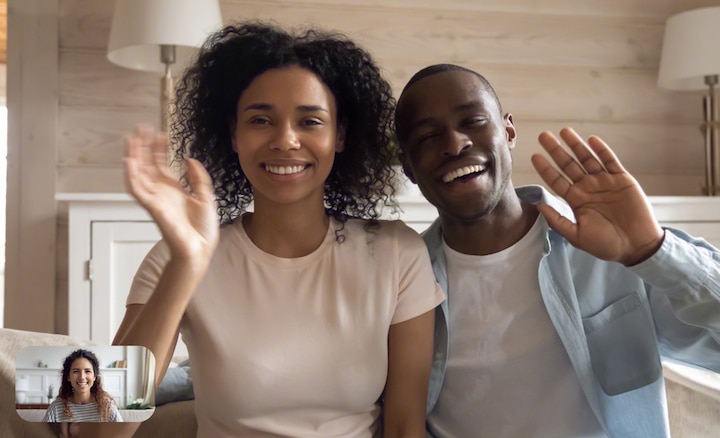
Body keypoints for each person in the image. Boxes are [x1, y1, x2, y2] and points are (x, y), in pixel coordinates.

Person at [111, 22, 444, 438]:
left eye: (310, 122)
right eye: (261, 120)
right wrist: (186, 263)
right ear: (233, 134)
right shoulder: (176, 258)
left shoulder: (396, 253)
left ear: (340, 135)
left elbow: (404, 428)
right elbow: (101, 429)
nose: (286, 140)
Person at [394, 63, 720, 437]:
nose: (454, 144)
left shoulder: (612, 251)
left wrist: (653, 250)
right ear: (409, 168)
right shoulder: (403, 282)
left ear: (508, 129)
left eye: (473, 121)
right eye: (427, 137)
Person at [42, 349, 123, 429]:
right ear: (68, 377)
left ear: (94, 376)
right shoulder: (56, 407)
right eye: (76, 371)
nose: (82, 377)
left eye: (87, 371)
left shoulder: (107, 406)